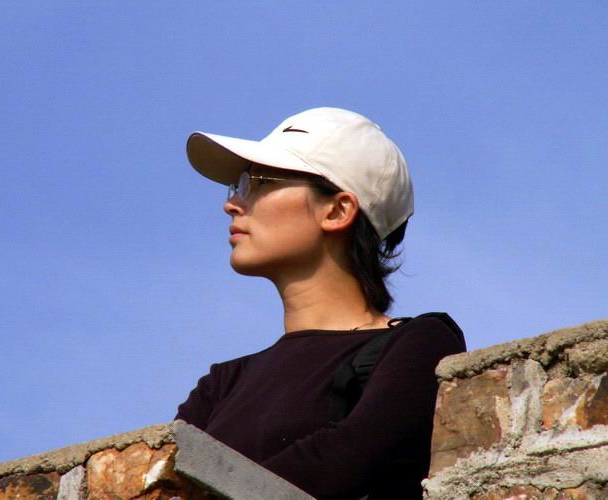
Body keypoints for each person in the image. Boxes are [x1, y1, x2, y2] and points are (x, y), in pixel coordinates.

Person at [176, 107, 466, 499]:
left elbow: (349, 459)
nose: (233, 204)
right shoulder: (222, 384)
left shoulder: (420, 343)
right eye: (237, 185)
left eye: (258, 182)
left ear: (337, 210)